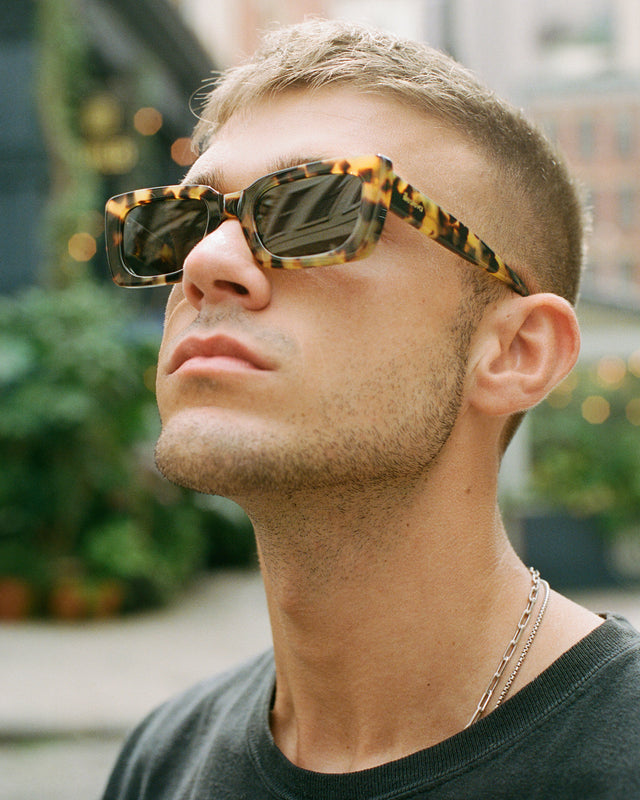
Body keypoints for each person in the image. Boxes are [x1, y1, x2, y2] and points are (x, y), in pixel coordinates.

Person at [101, 18, 640, 799]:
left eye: (315, 210)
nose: (206, 264)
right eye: (181, 225)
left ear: (516, 352)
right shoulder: (164, 760)